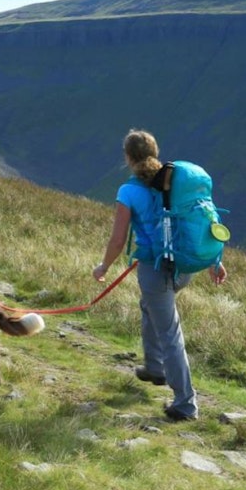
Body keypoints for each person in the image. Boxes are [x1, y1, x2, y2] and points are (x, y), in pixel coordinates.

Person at [92, 128, 227, 421]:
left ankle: (185, 404)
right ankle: (155, 367)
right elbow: (203, 220)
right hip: (183, 268)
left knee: (170, 331)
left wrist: (103, 267)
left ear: (128, 157)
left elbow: (118, 239)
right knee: (150, 307)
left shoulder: (128, 191)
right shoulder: (173, 184)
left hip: (156, 270)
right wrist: (215, 260)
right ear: (154, 152)